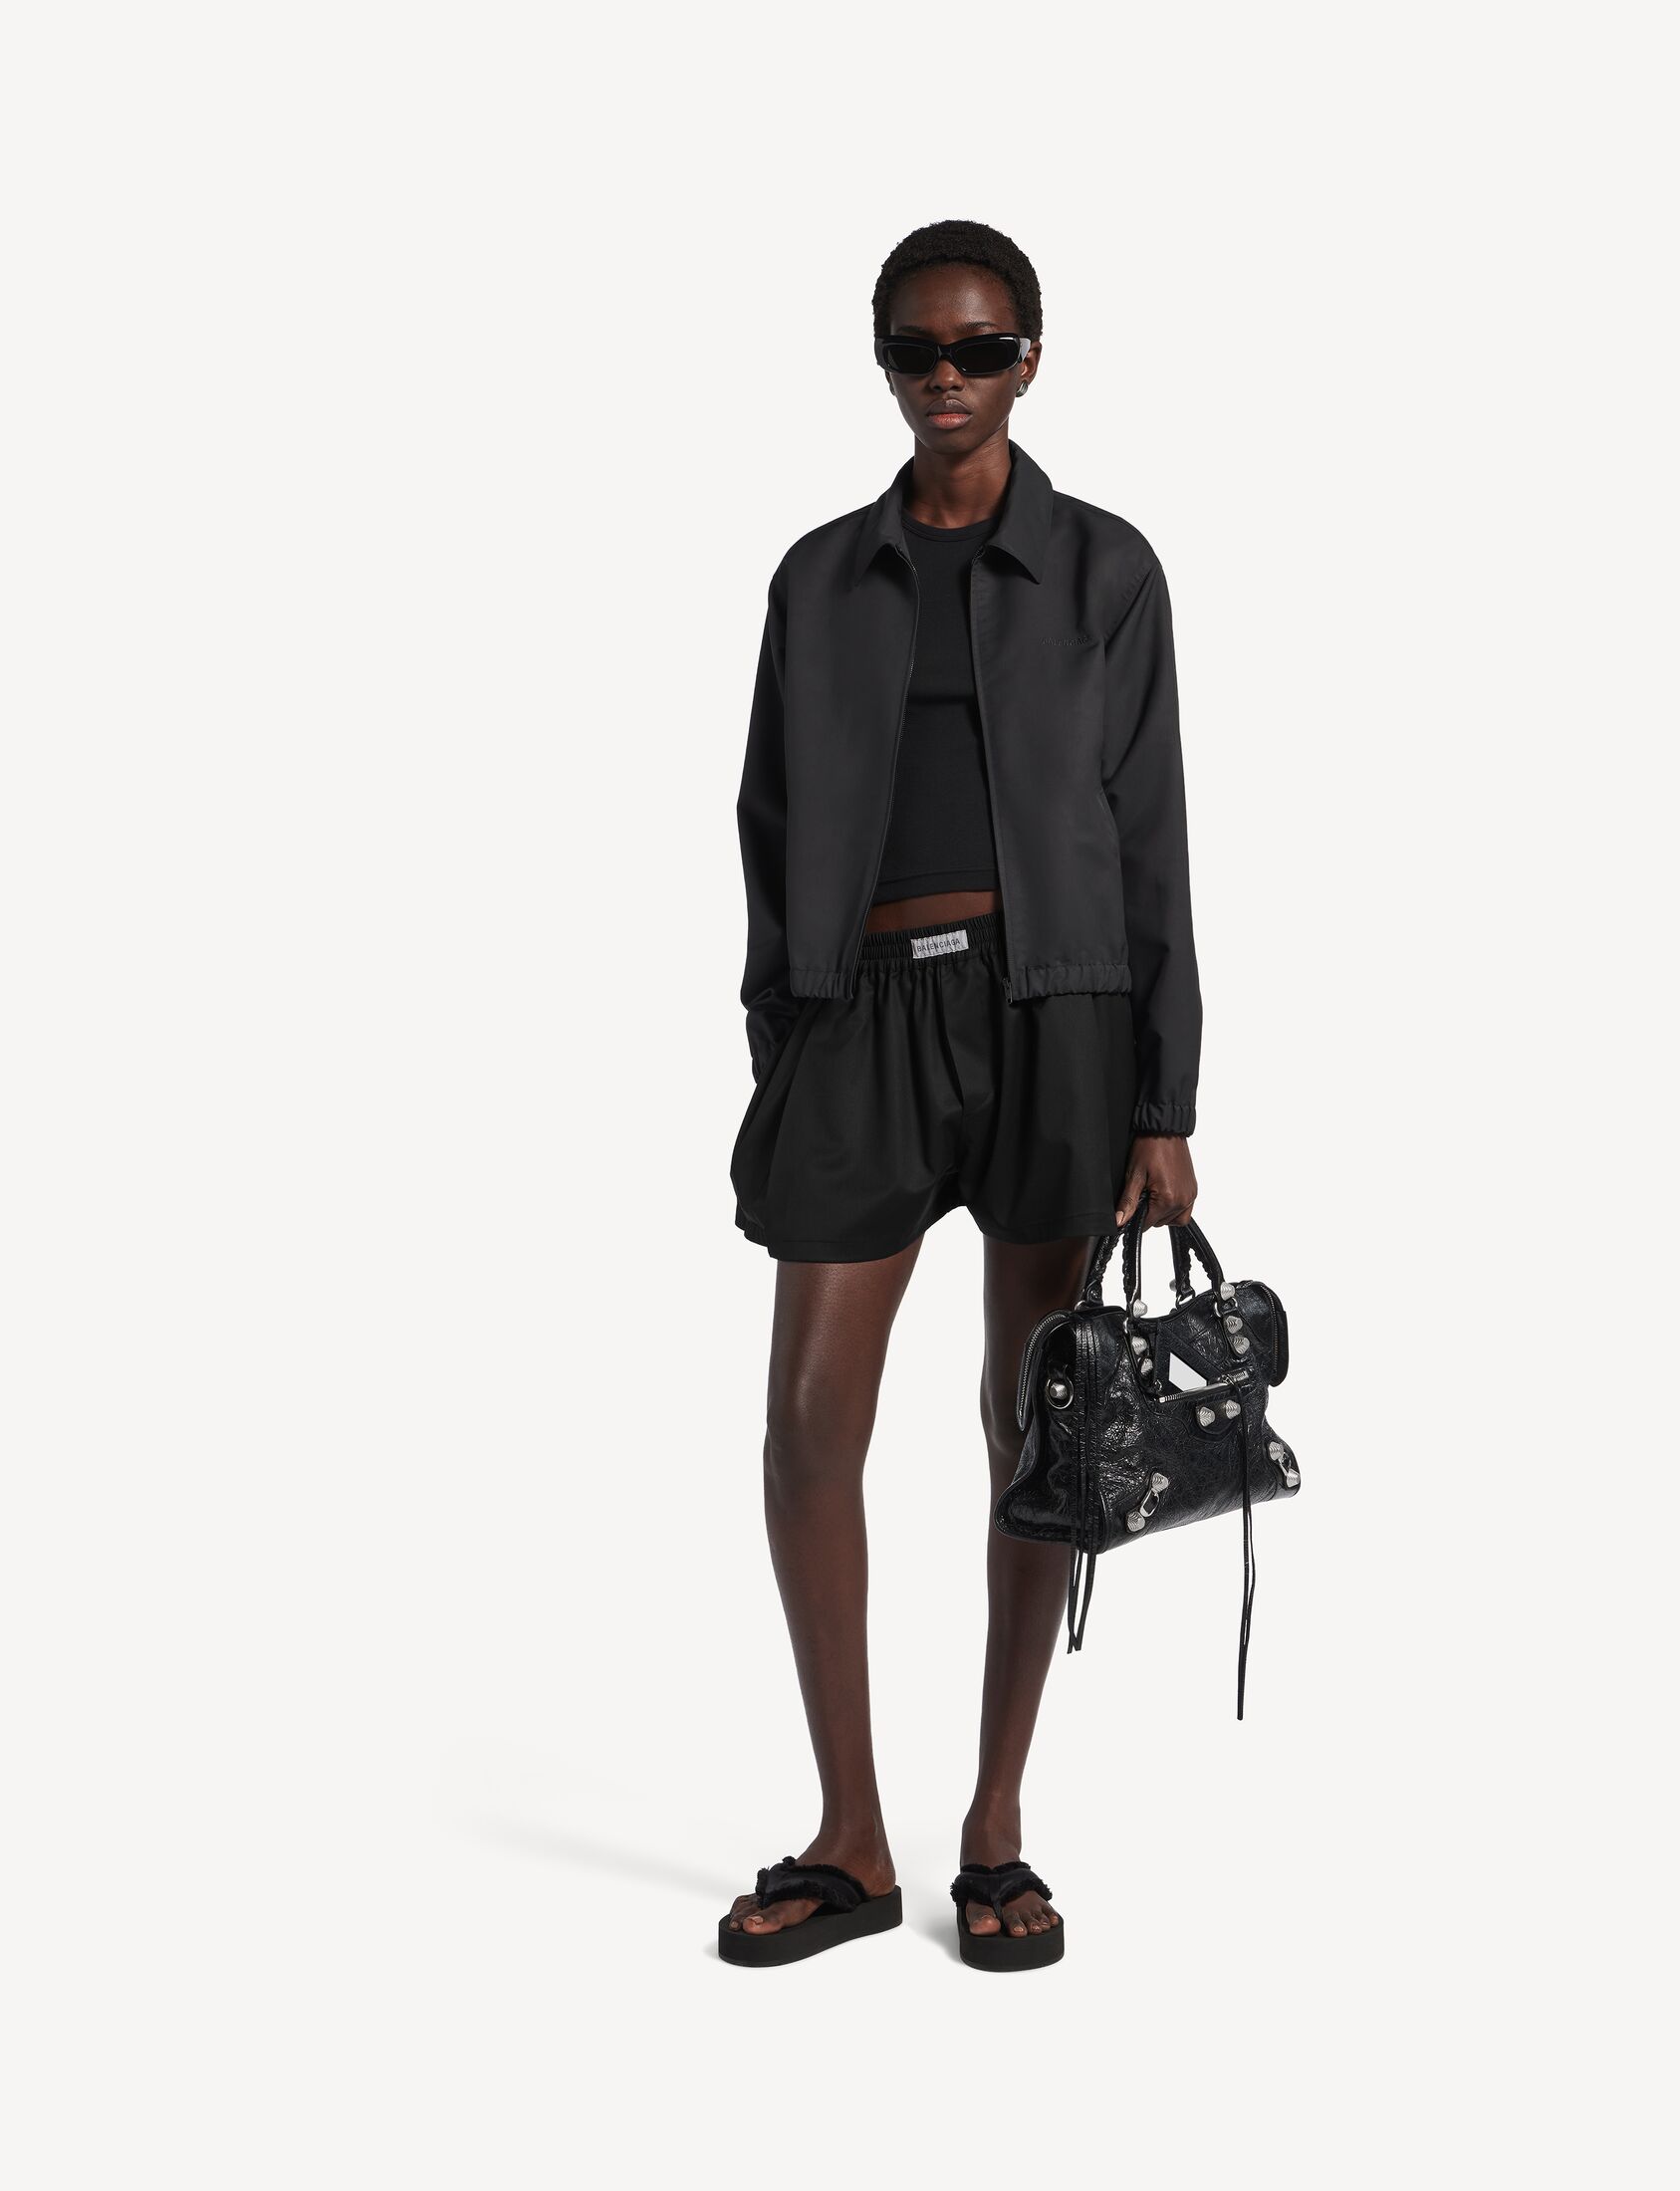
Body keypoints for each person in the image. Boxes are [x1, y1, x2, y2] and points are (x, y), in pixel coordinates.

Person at [721, 219, 1204, 1969]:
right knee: (808, 1424)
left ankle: (996, 1824)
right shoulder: (817, 580)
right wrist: (785, 1037)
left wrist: (1165, 1097)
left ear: (1030, 359)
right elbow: (769, 822)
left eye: (981, 348)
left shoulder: (1104, 572)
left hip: (1056, 1016)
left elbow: (1149, 835)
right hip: (861, 1020)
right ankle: (851, 1841)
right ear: (883, 361)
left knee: (1033, 1425)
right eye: (919, 349)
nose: (950, 377)